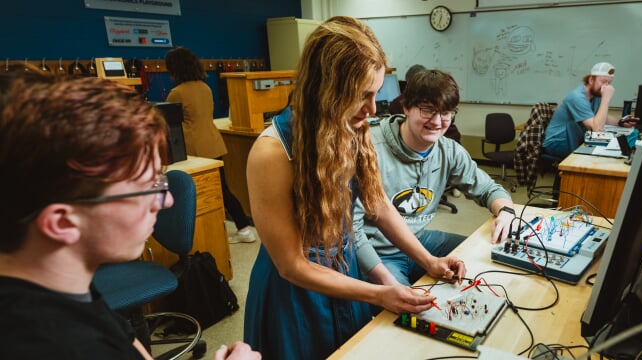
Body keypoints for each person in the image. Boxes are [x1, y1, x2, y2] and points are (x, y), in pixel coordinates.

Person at [243, 16, 466, 359]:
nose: (373, 108)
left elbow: (378, 206)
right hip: (296, 296)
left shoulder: (351, 129)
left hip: (344, 272)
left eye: (375, 93)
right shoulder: (272, 152)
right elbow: (290, 264)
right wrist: (377, 294)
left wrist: (428, 260)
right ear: (327, 89)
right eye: (362, 95)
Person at [0, 74, 259, 360]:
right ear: (62, 222)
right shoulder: (59, 344)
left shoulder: (65, 286)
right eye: (147, 188)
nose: (167, 200)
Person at [354, 69, 515, 287]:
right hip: (380, 252)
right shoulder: (370, 147)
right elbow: (350, 229)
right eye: (428, 110)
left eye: (446, 112)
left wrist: (506, 212)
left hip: (420, 239)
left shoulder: (449, 151)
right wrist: (389, 284)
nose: (438, 122)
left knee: (487, 255)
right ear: (406, 107)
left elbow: (488, 188)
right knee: (406, 310)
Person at [164, 46, 255, 244]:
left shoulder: (176, 93)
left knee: (196, 196)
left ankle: (206, 234)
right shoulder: (205, 87)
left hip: (194, 149)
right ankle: (243, 227)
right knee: (223, 190)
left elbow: (168, 123)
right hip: (213, 144)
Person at [541, 62, 638, 162]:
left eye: (609, 83)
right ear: (591, 80)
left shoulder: (596, 95)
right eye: (603, 81)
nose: (606, 86)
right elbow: (596, 129)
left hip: (575, 138)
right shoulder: (577, 97)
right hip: (557, 142)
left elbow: (601, 117)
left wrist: (620, 122)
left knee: (628, 138)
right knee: (605, 156)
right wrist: (606, 99)